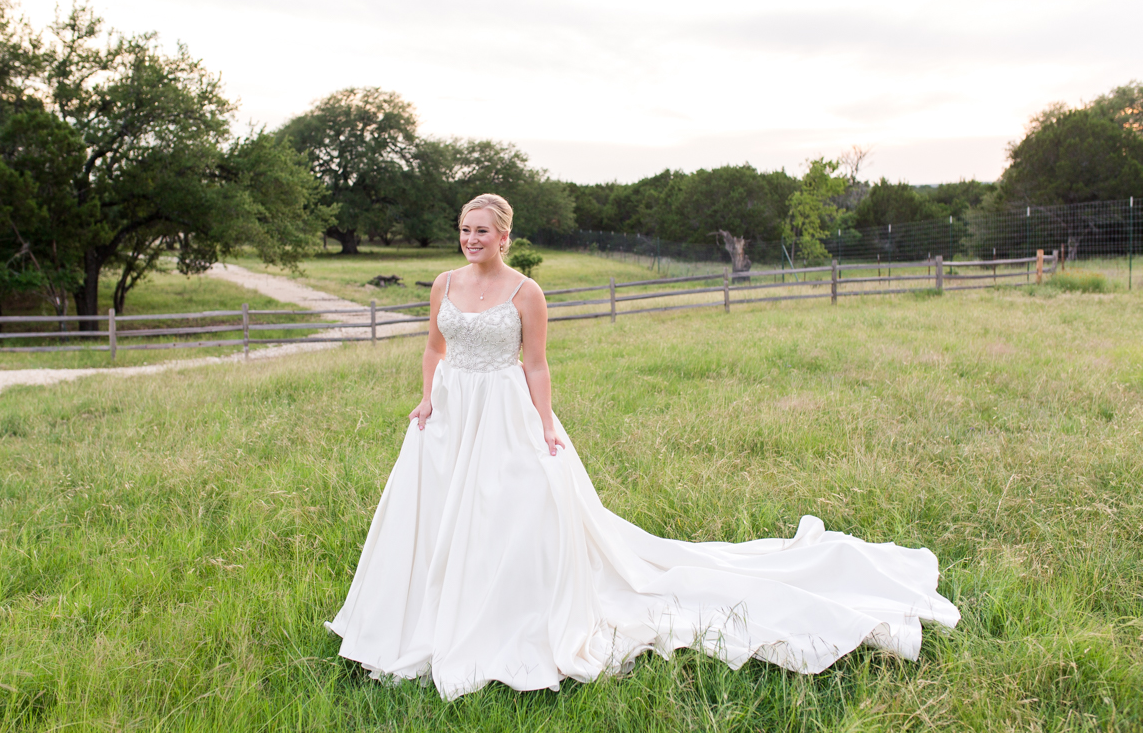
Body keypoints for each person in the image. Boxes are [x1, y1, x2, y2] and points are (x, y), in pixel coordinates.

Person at [325, 194, 960, 701]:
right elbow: (435, 348)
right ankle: (427, 616)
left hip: (504, 413)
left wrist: (547, 424)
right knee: (433, 522)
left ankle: (505, 615)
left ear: (505, 237)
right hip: (450, 417)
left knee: (512, 515)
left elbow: (537, 366)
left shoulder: (526, 293)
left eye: (482, 231)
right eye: (464, 230)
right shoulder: (443, 283)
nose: (470, 240)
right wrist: (427, 397)